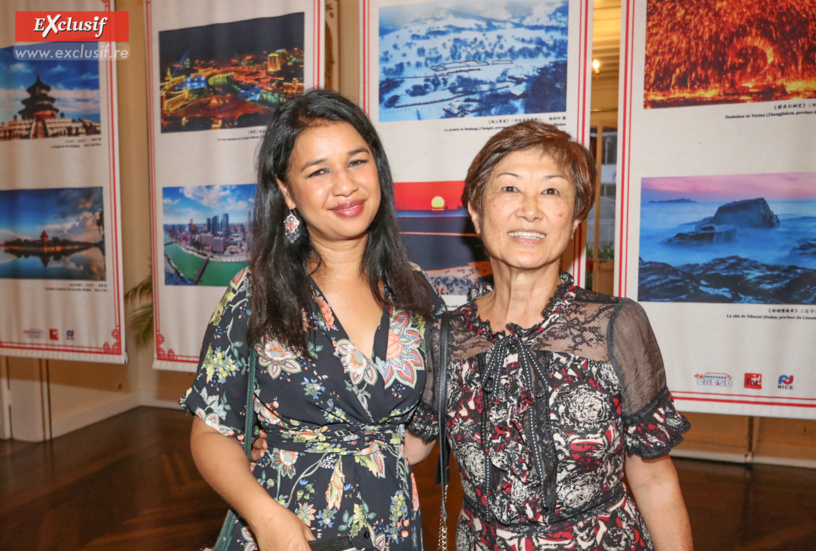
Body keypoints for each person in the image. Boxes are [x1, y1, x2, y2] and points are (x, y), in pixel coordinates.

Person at [407, 121, 694, 550]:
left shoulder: (616, 324)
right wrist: (287, 440)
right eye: (509, 189)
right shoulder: (446, 335)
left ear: (575, 218)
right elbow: (409, 447)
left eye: (552, 191)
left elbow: (653, 477)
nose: (530, 209)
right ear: (476, 211)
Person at [182, 89, 441, 551]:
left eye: (357, 162)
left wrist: (389, 447)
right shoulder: (255, 292)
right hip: (287, 528)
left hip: (392, 526)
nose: (345, 185)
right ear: (286, 190)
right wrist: (266, 519)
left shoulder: (416, 291)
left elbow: (423, 429)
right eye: (319, 171)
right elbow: (210, 432)